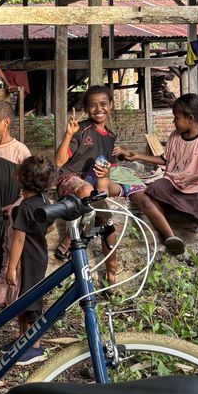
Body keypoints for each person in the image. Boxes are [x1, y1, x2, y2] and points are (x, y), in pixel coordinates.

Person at [115, 93, 198, 282]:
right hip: (173, 182)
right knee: (153, 189)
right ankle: (170, 235)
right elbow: (164, 160)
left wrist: (192, 178)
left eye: (176, 117)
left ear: (190, 119)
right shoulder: (176, 135)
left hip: (195, 188)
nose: (174, 121)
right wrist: (137, 157)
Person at [54, 85, 119, 284]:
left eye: (103, 104)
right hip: (70, 179)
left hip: (94, 185)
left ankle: (111, 275)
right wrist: (67, 135)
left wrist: (104, 177)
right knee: (91, 196)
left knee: (105, 216)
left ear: (111, 105)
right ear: (86, 108)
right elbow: (58, 162)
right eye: (93, 105)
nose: (98, 109)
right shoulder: (81, 129)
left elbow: (106, 172)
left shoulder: (110, 137)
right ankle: (69, 238)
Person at [2, 156, 56, 365]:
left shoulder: (24, 207)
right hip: (39, 258)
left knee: (31, 303)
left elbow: (19, 239)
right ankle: (24, 341)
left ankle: (35, 347)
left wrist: (11, 268)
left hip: (26, 260)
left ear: (20, 179)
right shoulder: (44, 202)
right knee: (24, 300)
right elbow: (50, 226)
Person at [0, 100, 31, 288]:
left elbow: (28, 184)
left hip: (10, 211)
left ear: (6, 122)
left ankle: (2, 287)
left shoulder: (19, 150)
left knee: (7, 248)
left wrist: (17, 204)